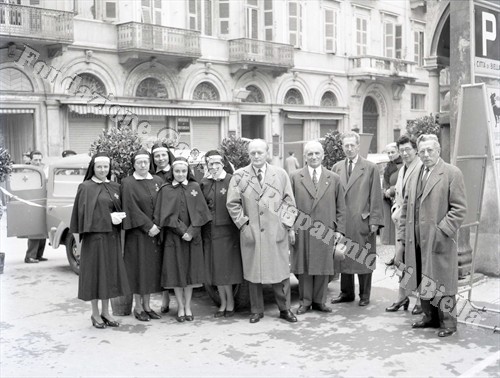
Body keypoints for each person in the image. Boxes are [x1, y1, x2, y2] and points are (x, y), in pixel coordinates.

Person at [395, 134, 467, 338]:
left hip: (438, 238)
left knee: (442, 281)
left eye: (430, 150)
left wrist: (442, 231)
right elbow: (406, 209)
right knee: (422, 277)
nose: (426, 155)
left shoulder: (452, 173)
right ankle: (429, 317)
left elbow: (459, 209)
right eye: (422, 151)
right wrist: (403, 237)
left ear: (438, 151)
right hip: (416, 238)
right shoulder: (416, 174)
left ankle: (449, 323)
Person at [226, 139, 298, 324]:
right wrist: (243, 225)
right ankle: (256, 310)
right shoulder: (239, 175)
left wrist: (285, 226)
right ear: (248, 155)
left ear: (267, 153)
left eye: (260, 152)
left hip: (276, 231)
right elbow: (233, 203)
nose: (256, 156)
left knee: (281, 274)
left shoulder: (280, 174)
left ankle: (285, 309)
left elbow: (289, 203)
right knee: (254, 274)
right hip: (252, 231)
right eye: (252, 153)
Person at [69, 152, 130, 329]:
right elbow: (83, 217)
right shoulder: (85, 187)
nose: (103, 170)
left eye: (106, 167)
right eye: (99, 167)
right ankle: (95, 313)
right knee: (96, 276)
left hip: (112, 239)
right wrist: (108, 218)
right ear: (93, 168)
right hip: (94, 240)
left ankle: (106, 312)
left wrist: (120, 217)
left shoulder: (115, 186)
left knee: (109, 275)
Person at [290, 141, 346, 315]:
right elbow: (288, 205)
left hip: (325, 230)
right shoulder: (294, 177)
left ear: (323, 156)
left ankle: (320, 301)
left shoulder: (334, 178)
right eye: (310, 154)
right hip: (303, 229)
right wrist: (291, 228)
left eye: (317, 153)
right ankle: (305, 302)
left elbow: (341, 207)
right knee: (304, 268)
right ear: (304, 157)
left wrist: (339, 230)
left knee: (323, 266)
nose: (313, 157)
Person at [154, 157, 211, 322]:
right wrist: (182, 231)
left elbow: (202, 213)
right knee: (177, 273)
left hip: (192, 238)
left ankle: (188, 306)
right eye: (177, 171)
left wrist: (192, 231)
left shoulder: (194, 187)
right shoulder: (165, 189)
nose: (180, 174)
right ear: (172, 172)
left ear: (188, 172)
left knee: (190, 274)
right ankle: (180, 306)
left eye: (183, 171)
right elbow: (165, 215)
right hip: (174, 238)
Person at [331, 131, 384, 307]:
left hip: (362, 219)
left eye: (352, 145)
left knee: (363, 258)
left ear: (358, 146)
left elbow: (376, 195)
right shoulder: (337, 167)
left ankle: (364, 295)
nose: (349, 148)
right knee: (343, 256)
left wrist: (374, 220)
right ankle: (346, 293)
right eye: (345, 145)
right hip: (343, 221)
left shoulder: (370, 167)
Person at [121, 150, 164, 322]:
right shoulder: (128, 182)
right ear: (134, 164)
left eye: (146, 162)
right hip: (138, 234)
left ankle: (148, 306)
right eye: (139, 162)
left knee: (150, 271)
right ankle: (138, 307)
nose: (143, 165)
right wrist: (149, 226)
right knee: (138, 270)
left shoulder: (157, 181)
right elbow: (130, 207)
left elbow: (163, 204)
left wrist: (158, 224)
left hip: (155, 233)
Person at [200, 150, 243, 318]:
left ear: (223, 163)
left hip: (228, 232)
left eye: (217, 163)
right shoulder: (204, 182)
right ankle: (223, 303)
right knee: (216, 269)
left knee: (228, 269)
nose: (214, 166)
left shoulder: (231, 180)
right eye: (211, 164)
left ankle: (230, 302)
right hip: (210, 232)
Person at [385, 135, 423, 315]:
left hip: (416, 225)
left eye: (408, 149)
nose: (405, 153)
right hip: (401, 223)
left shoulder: (421, 167)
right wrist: (395, 208)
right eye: (402, 151)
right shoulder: (402, 170)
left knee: (417, 263)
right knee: (401, 261)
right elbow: (399, 196)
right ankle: (403, 297)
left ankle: (419, 301)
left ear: (415, 150)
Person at [149, 141, 176, 314]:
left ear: (169, 155)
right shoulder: (150, 175)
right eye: (156, 156)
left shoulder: (178, 171)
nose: (160, 159)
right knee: (161, 261)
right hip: (158, 224)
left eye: (163, 155)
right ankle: (165, 298)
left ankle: (180, 300)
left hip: (175, 224)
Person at [24, 150, 47, 264]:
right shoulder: (26, 172)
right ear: (31, 160)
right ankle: (30, 256)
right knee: (34, 230)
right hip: (32, 202)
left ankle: (39, 255)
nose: (38, 162)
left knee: (42, 229)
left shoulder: (43, 171)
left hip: (42, 202)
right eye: (35, 160)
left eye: (39, 160)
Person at [381, 143, 403, 246]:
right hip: (387, 200)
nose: (390, 155)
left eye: (392, 152)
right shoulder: (388, 166)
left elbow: (404, 181)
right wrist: (385, 190)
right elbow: (385, 181)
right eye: (388, 152)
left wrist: (391, 190)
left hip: (398, 200)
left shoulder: (403, 165)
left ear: (398, 152)